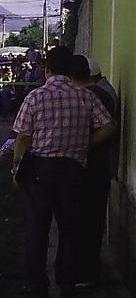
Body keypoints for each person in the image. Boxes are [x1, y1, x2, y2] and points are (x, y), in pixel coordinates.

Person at [13, 47, 114, 298]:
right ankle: (66, 282)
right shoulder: (86, 97)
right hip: (73, 170)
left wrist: (17, 167)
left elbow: (23, 136)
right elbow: (109, 125)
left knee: (37, 229)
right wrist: (86, 143)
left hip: (40, 170)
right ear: (70, 70)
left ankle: (37, 284)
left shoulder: (35, 97)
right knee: (70, 229)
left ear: (47, 69)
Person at [69, 56, 118, 288]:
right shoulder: (103, 91)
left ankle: (85, 273)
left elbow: (105, 127)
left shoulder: (95, 95)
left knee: (86, 221)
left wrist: (82, 144)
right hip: (97, 166)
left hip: (92, 167)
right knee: (90, 220)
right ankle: (86, 271)